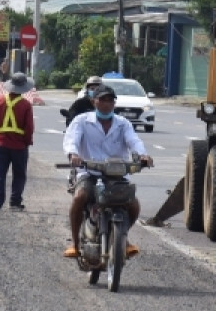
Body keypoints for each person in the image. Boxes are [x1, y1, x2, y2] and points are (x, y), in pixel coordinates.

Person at [62, 83, 153, 259]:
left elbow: (134, 141)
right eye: (102, 100)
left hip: (116, 174)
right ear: (93, 101)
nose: (106, 104)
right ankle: (74, 244)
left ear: (114, 103)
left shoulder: (123, 123)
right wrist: (73, 154)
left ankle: (121, 237)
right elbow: (71, 140)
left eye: (110, 100)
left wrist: (143, 156)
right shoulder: (82, 121)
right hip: (89, 172)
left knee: (133, 205)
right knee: (80, 197)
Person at [0, 72, 35, 211]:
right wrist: (27, 142)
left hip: (0, 144)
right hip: (19, 146)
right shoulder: (26, 105)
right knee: (19, 174)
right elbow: (29, 127)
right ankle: (14, 203)